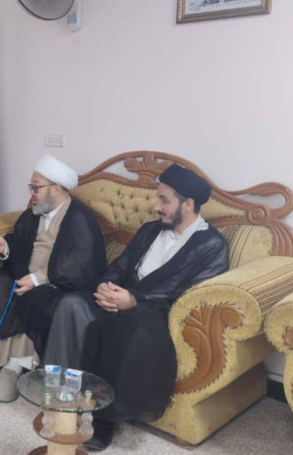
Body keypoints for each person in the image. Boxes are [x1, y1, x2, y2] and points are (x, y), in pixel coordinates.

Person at [40, 164, 229, 451]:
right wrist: (106, 287)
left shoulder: (211, 245)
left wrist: (134, 299)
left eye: (164, 200)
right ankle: (60, 396)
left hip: (154, 313)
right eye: (158, 198)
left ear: (188, 204)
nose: (156, 207)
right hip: (122, 299)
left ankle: (102, 420)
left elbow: (188, 292)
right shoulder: (150, 230)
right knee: (70, 304)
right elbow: (120, 266)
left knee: (125, 327)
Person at [0, 155, 107, 402]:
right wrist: (5, 246)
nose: (32, 193)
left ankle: (14, 367)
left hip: (57, 285)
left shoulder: (79, 219)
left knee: (34, 300)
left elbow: (83, 265)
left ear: (56, 189)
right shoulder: (34, 214)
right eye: (31, 187)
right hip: (25, 275)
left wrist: (39, 279)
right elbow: (18, 241)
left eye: (36, 187)